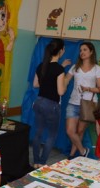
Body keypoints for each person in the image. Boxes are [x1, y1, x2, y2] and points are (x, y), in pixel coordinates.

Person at [32, 38, 71, 169]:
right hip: (51, 105)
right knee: (51, 135)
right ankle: (42, 163)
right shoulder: (59, 70)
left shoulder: (41, 65)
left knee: (38, 133)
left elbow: (35, 84)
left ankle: (36, 161)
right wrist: (66, 79)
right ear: (61, 51)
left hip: (39, 102)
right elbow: (61, 91)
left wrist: (62, 68)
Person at [65, 42, 100, 159]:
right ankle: (83, 151)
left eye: (85, 50)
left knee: (80, 131)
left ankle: (71, 156)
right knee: (70, 131)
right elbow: (65, 80)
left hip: (88, 104)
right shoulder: (75, 67)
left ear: (91, 52)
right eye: (81, 50)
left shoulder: (97, 69)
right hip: (73, 102)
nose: (82, 52)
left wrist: (88, 89)